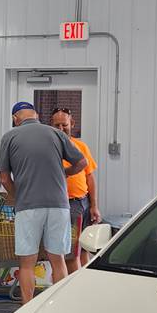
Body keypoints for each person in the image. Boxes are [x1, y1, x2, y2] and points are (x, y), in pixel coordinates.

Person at [0, 101, 86, 305]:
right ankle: (57, 310)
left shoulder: (9, 137)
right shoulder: (56, 134)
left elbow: (4, 178)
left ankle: (26, 310)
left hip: (29, 205)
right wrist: (65, 172)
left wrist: (16, 197)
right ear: (36, 115)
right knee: (58, 259)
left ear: (15, 119)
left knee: (27, 262)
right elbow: (81, 162)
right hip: (59, 205)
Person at [49, 107, 102, 273]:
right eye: (56, 125)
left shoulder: (81, 146)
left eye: (64, 124)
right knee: (72, 253)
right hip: (66, 206)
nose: (60, 128)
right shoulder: (49, 149)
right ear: (50, 125)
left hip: (84, 203)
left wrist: (94, 205)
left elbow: (90, 178)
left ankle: (85, 283)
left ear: (71, 124)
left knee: (84, 249)